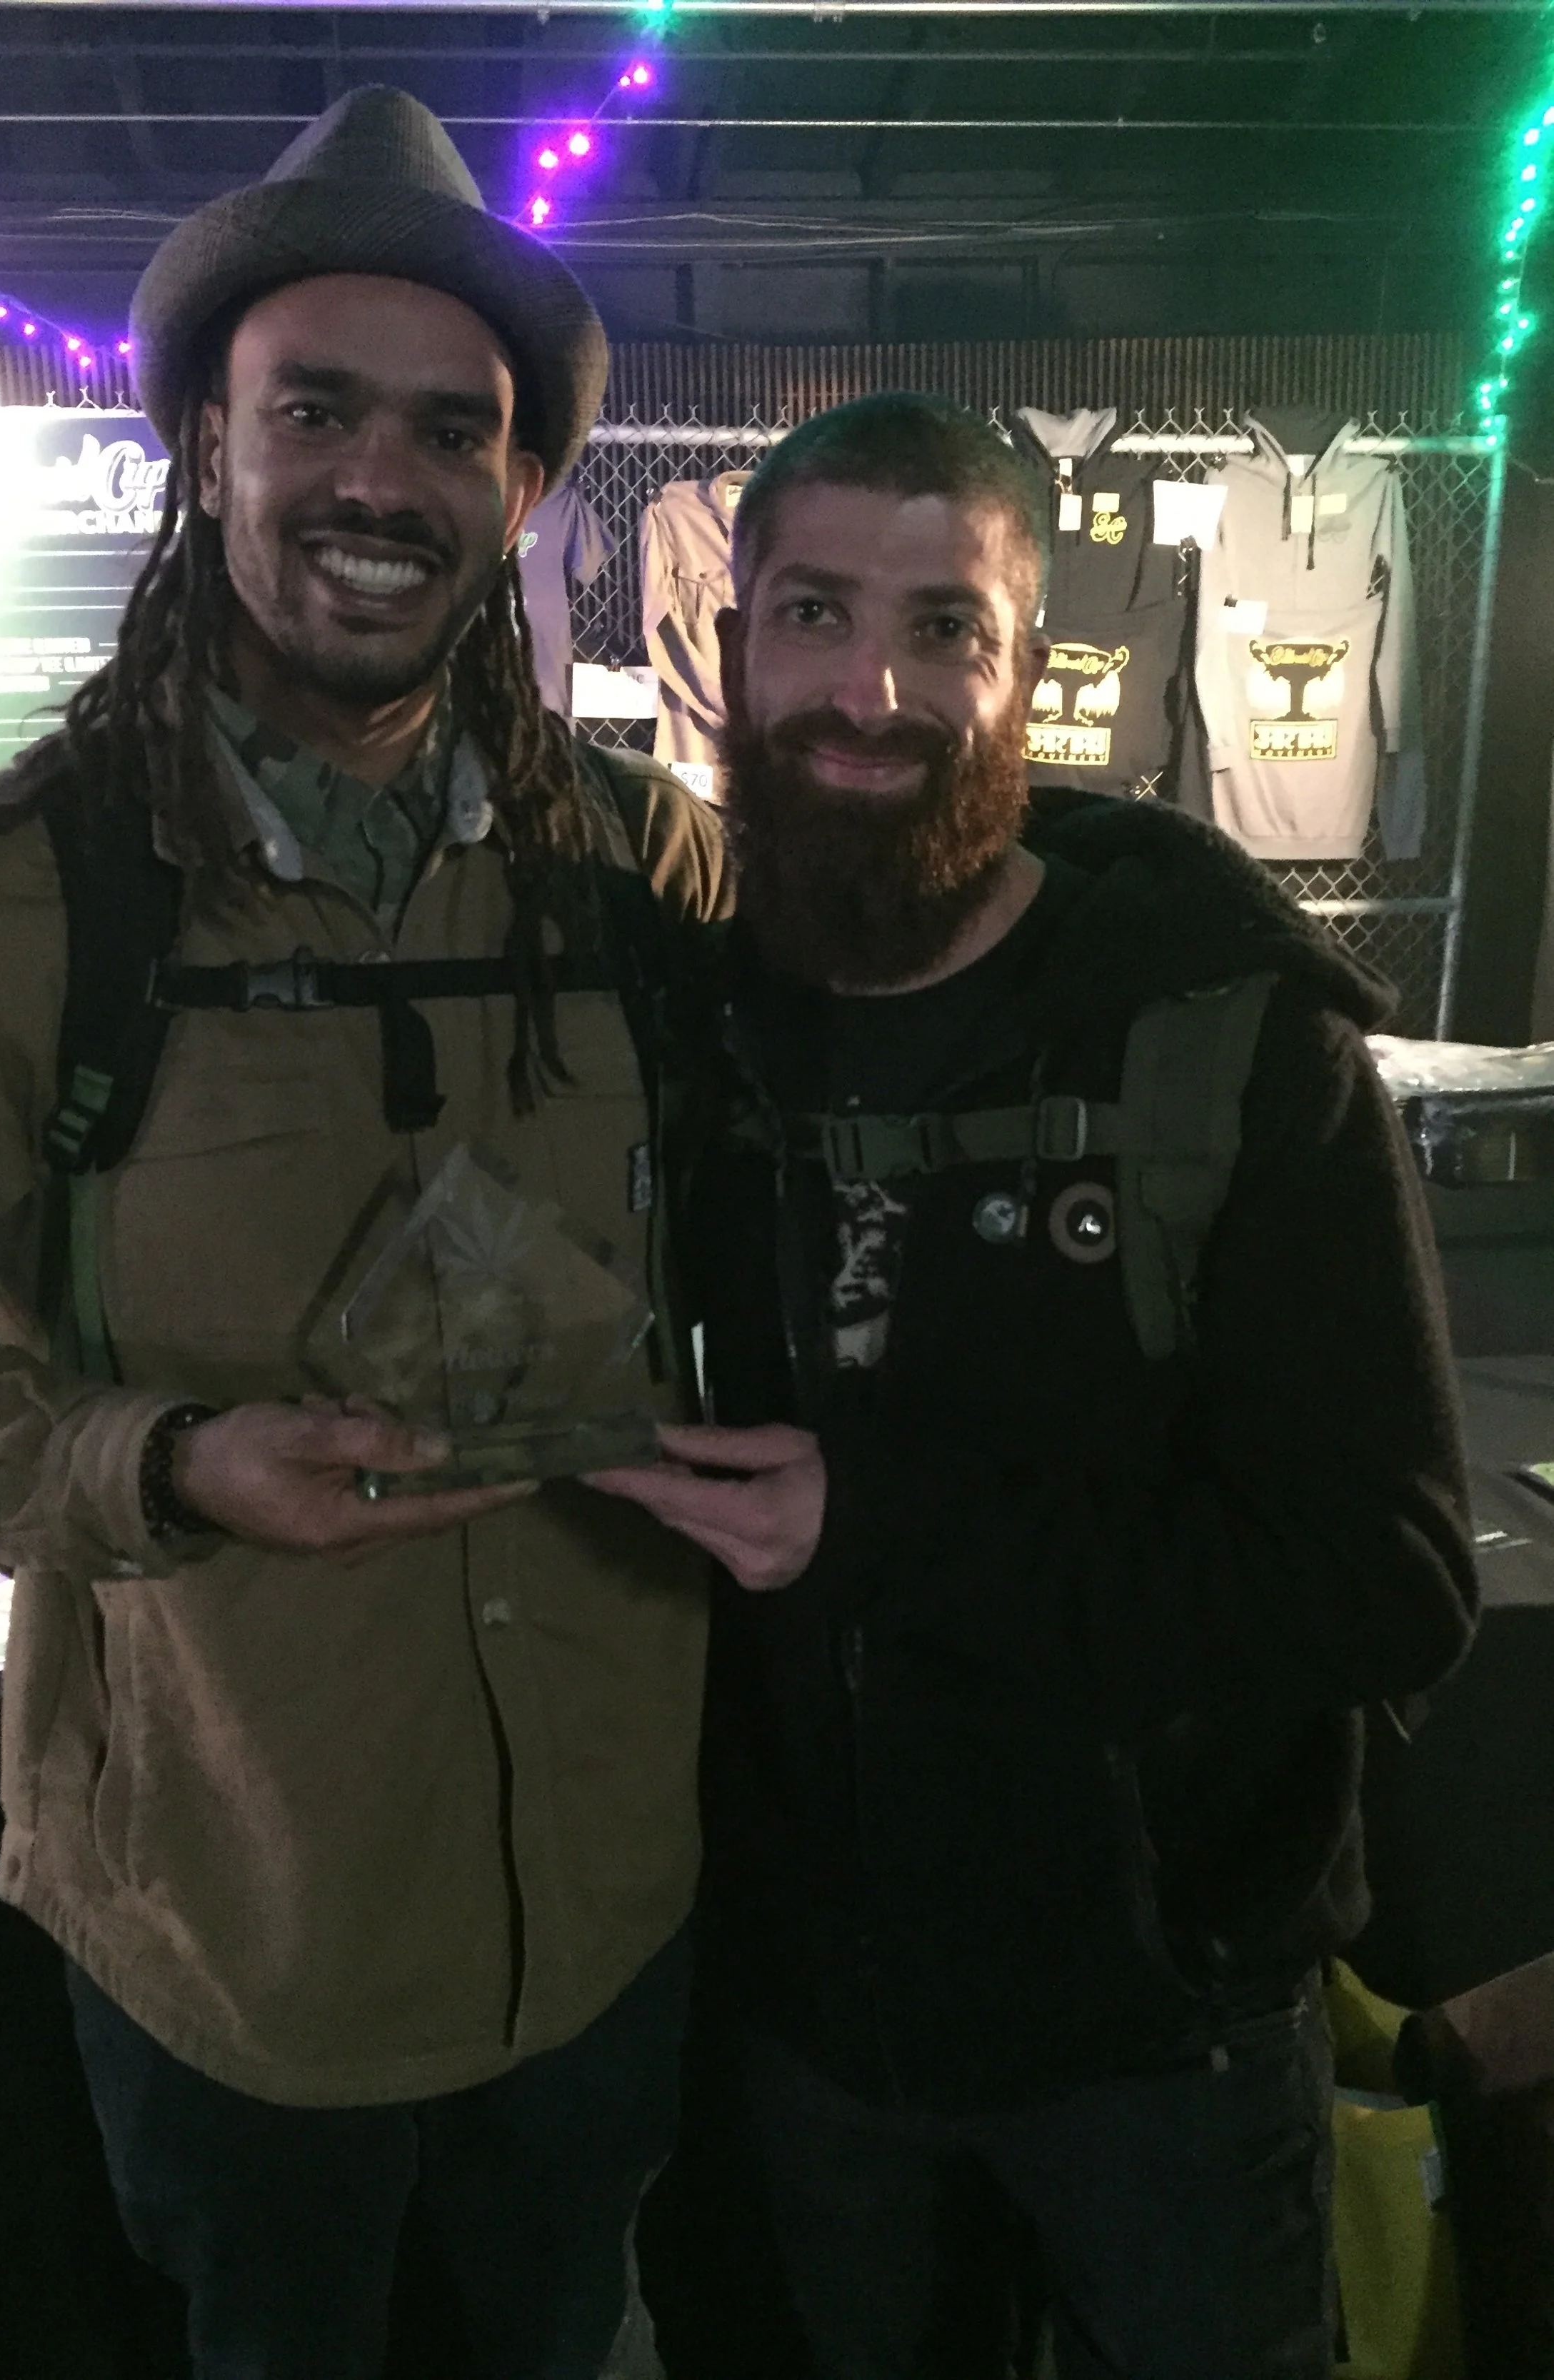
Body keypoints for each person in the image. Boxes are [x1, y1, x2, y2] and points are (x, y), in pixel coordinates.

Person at [0, 89, 728, 2380]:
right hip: (238, 1926)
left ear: (518, 489)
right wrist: (160, 1461)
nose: (378, 477)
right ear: (208, 443)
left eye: (449, 429)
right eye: (314, 409)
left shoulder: (644, 870)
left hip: (611, 1900)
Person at [588, 393, 1478, 2379]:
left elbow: (1390, 1580)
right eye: (814, 614)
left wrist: (876, 1528)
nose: (869, 691)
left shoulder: (1227, 1042)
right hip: (803, 2024)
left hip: (1160, 2037)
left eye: (945, 628)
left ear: (1025, 670)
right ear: (733, 645)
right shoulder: (688, 1032)